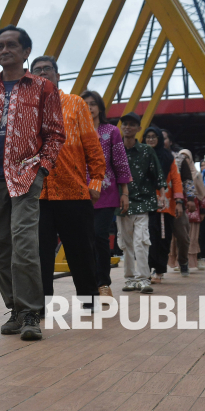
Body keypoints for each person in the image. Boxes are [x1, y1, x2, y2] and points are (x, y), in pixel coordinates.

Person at [0, 25, 65, 341]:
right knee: (0, 247)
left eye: (11, 45)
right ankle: (16, 310)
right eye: (0, 45)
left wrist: (42, 168)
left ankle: (31, 312)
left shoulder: (43, 88)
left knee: (24, 244)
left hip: (25, 177)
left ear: (25, 52)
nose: (4, 50)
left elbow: (55, 133)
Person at [31, 57, 105, 308]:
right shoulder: (26, 110)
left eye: (47, 69)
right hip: (37, 194)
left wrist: (95, 185)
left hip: (74, 192)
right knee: (39, 254)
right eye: (37, 70)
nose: (43, 73)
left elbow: (93, 148)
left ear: (57, 75)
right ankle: (39, 306)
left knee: (81, 251)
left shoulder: (76, 104)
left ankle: (89, 299)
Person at [81, 90, 131, 297]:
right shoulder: (75, 131)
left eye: (93, 104)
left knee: (100, 236)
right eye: (85, 104)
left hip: (106, 192)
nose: (89, 107)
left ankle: (103, 283)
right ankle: (89, 284)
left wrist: (125, 192)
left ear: (100, 107)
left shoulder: (111, 131)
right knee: (85, 239)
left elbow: (120, 162)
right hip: (79, 193)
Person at [117, 113, 166, 293]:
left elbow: (158, 175)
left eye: (132, 124)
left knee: (141, 242)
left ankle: (144, 278)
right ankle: (130, 279)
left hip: (143, 202)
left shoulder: (147, 151)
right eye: (125, 124)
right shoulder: (116, 149)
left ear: (138, 129)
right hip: (122, 203)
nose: (128, 127)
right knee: (126, 243)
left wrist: (162, 195)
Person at [143, 126, 191, 279]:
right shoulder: (141, 155)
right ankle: (148, 270)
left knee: (165, 239)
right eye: (148, 136)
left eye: (154, 137)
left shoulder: (170, 158)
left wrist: (179, 201)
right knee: (148, 238)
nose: (151, 139)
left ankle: (160, 270)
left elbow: (177, 180)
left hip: (167, 205)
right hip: (146, 205)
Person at [178, 149, 205, 271]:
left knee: (193, 236)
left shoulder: (197, 175)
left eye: (187, 157)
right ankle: (181, 262)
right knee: (180, 237)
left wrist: (203, 210)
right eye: (181, 157)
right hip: (179, 207)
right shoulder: (175, 172)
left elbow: (202, 193)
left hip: (193, 209)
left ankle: (194, 261)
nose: (184, 160)